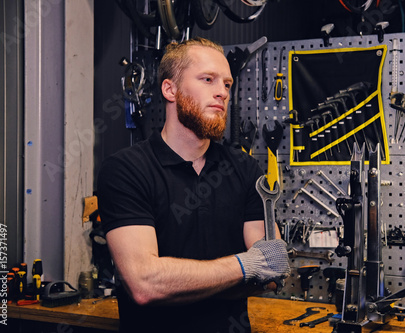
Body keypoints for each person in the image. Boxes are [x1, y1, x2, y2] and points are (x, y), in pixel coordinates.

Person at [97, 37, 291, 333]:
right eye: (208, 79)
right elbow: (145, 284)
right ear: (169, 89)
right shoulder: (126, 170)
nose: (222, 93)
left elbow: (272, 272)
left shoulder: (244, 168)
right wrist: (244, 267)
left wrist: (178, 284)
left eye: (226, 84)